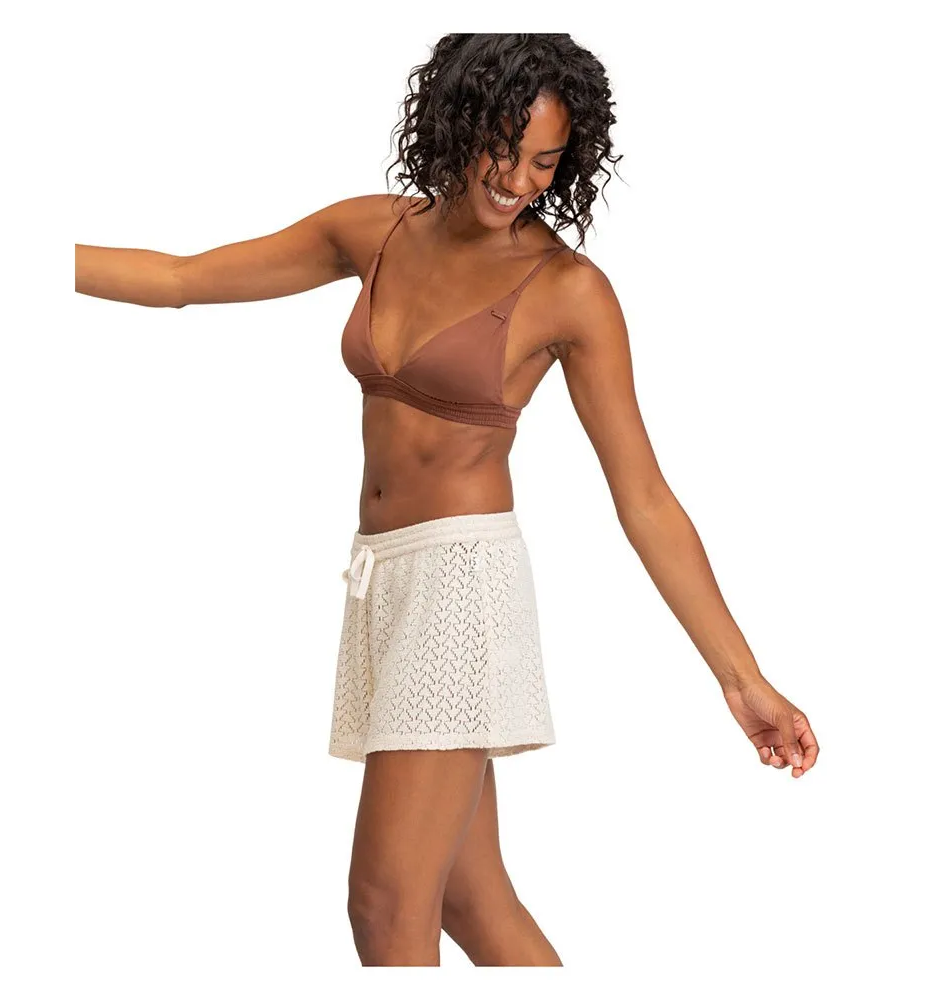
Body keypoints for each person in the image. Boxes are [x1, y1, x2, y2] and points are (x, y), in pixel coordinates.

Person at [75, 32, 819, 968]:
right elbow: (180, 279)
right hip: (382, 581)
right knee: (471, 898)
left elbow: (645, 499)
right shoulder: (373, 231)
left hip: (461, 592)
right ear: (457, 124)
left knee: (384, 904)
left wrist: (741, 679)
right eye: (503, 148)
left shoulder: (568, 291)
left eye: (544, 161)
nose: (517, 180)